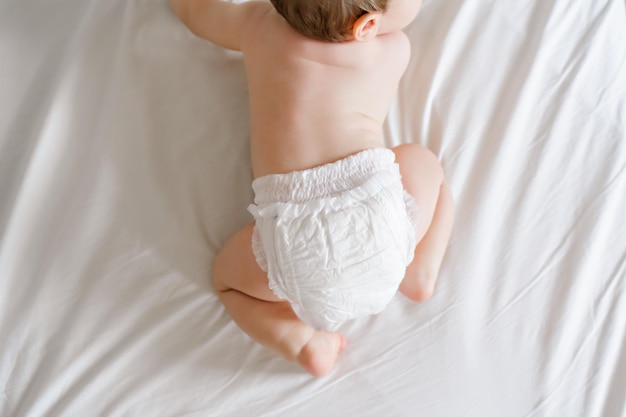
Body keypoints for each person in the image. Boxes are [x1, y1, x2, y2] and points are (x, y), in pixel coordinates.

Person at [169, 0, 455, 377]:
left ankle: (303, 342)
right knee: (423, 161)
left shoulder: (257, 25)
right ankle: (420, 270)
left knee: (229, 283)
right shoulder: (391, 48)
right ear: (367, 26)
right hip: (382, 228)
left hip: (293, 242)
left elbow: (200, 16)